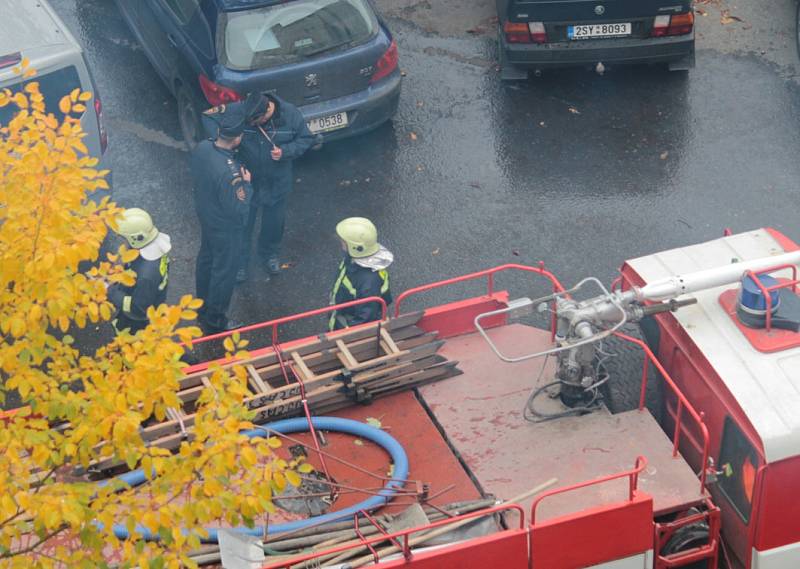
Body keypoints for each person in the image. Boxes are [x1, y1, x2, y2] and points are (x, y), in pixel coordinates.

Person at [236, 92, 314, 282]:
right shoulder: (245, 114)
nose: (252, 125)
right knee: (243, 224)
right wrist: (238, 167)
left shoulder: (290, 114)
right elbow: (230, 142)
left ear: (267, 112)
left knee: (274, 224)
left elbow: (305, 139)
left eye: (256, 122)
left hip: (277, 182)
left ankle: (269, 255)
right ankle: (240, 263)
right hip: (249, 182)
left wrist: (286, 152)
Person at [191, 105, 253, 334]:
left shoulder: (203, 148)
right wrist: (247, 184)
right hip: (226, 228)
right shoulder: (231, 173)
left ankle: (201, 306)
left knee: (206, 261)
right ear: (237, 139)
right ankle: (215, 320)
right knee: (224, 272)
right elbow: (238, 208)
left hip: (206, 217)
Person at [107, 208, 171, 335]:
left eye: (124, 238)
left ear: (135, 239)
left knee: (129, 340)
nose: (122, 242)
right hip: (152, 299)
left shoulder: (146, 276)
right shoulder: (153, 249)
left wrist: (111, 292)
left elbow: (138, 308)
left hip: (139, 321)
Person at [328, 217, 393, 331]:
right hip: (342, 313)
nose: (340, 242)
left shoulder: (369, 280)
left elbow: (366, 317)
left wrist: (349, 332)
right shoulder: (353, 258)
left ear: (355, 247)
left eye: (343, 241)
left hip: (349, 324)